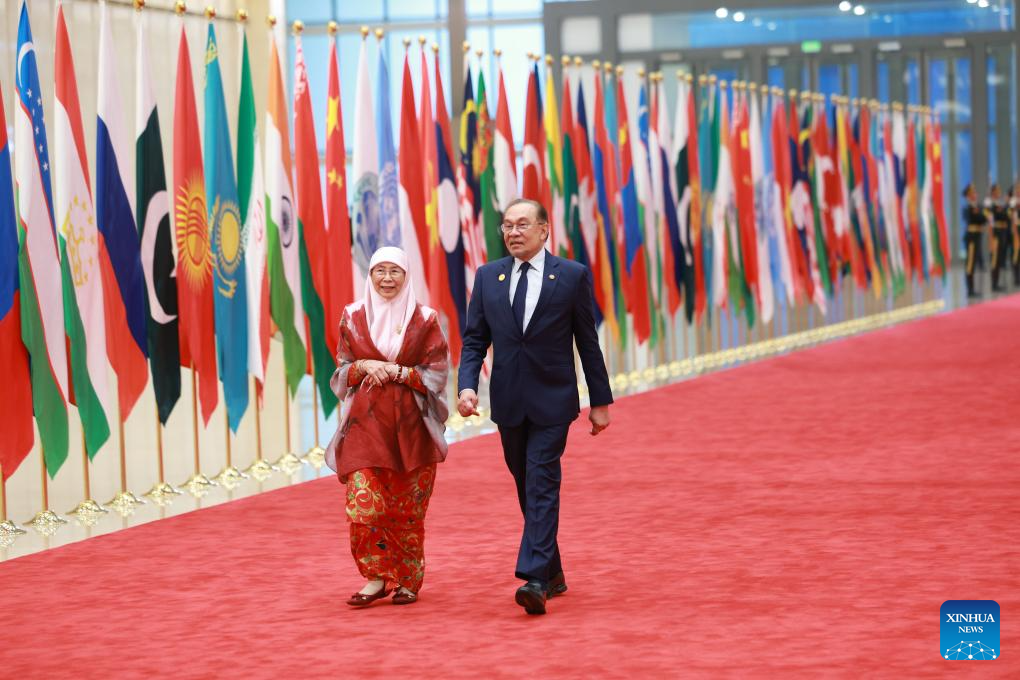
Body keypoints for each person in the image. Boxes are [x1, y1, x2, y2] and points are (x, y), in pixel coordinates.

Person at [457, 198, 613, 616]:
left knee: (542, 480)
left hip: (553, 399)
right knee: (527, 484)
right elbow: (475, 340)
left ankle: (535, 579)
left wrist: (600, 400)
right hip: (508, 401)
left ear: (544, 230)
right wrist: (467, 387)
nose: (513, 232)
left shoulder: (571, 276)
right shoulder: (488, 277)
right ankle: (554, 570)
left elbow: (587, 342)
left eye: (522, 224)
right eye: (507, 225)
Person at [325, 246, 450, 608]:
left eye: (395, 271)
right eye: (380, 271)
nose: (387, 279)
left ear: (407, 276)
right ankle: (375, 577)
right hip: (365, 426)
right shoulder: (352, 315)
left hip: (412, 428)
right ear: (370, 275)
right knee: (363, 507)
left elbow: (437, 374)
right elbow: (341, 370)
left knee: (407, 511)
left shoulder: (425, 319)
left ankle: (408, 580)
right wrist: (362, 366)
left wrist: (399, 372)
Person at [962, 184, 986, 298]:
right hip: (971, 237)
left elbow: (984, 219)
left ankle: (973, 288)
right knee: (970, 263)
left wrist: (979, 215)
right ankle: (970, 289)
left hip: (977, 236)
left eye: (974, 192)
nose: (975, 194)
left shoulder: (977, 206)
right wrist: (979, 215)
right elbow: (973, 218)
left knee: (975, 262)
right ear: (968, 195)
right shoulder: (967, 207)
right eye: (972, 193)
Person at [987, 183, 1009, 292]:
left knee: (999, 259)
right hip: (995, 234)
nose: (999, 192)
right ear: (993, 192)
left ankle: (997, 282)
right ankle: (994, 284)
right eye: (997, 190)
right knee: (994, 260)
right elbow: (990, 222)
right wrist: (991, 238)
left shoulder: (1000, 205)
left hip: (1002, 234)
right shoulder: (991, 205)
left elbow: (1006, 217)